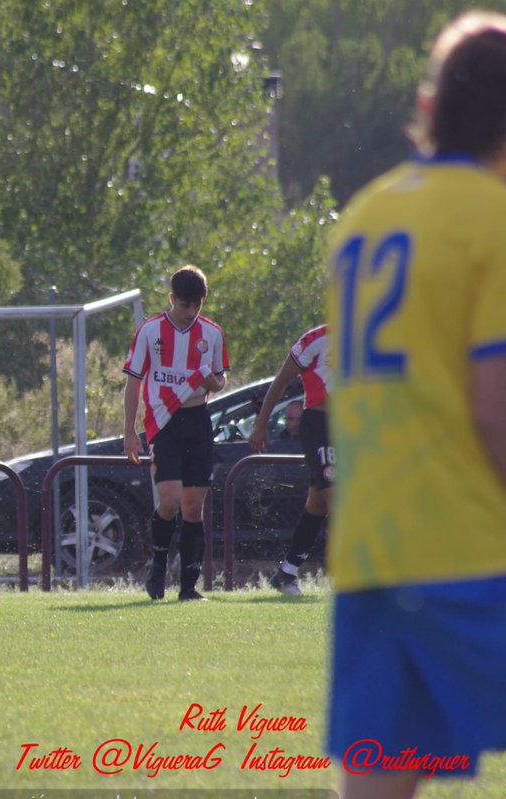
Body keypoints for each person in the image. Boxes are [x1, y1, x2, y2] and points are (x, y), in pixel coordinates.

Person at [325, 12, 506, 797]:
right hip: (469, 548)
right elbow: (495, 411)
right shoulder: (492, 220)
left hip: (370, 552)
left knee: (378, 783)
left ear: (432, 108)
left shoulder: (365, 214)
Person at [123, 265, 228, 602]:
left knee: (193, 509)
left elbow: (219, 379)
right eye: (185, 305)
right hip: (163, 424)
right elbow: (133, 381)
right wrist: (129, 431)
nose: (191, 312)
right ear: (171, 299)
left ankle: (188, 588)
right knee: (168, 502)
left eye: (197, 305)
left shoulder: (211, 334)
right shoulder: (150, 332)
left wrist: (213, 382)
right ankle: (157, 567)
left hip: (197, 422)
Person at [249, 325, 331, 597]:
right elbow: (282, 380)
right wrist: (261, 425)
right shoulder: (316, 339)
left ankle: (286, 573)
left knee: (318, 502)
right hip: (320, 425)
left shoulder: (374, 336)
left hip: (354, 425)